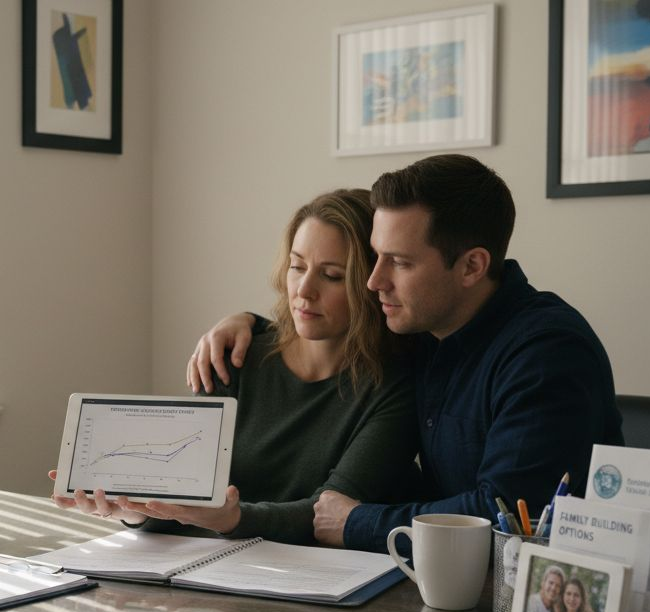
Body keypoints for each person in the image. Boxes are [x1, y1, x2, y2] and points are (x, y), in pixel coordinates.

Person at [187, 155, 623, 553]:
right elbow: (327, 328)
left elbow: (508, 512)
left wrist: (357, 522)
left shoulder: (546, 354)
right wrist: (247, 323)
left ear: (472, 266)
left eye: (399, 262)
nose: (373, 281)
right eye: (376, 257)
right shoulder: (427, 330)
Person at [51, 189, 420, 544]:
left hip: (317, 575)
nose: (304, 290)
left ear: (373, 283)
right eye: (297, 266)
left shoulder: (395, 386)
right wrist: (134, 511)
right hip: (207, 568)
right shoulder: (236, 355)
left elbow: (331, 515)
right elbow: (186, 497)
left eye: (332, 275)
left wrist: (232, 519)